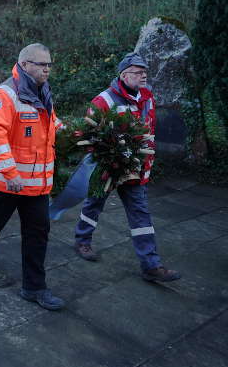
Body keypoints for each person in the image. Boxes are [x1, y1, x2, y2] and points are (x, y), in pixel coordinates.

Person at [73, 52, 181, 283]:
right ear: (124, 75)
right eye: (138, 72)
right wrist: (107, 158)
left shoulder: (148, 97)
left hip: (135, 170)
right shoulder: (104, 101)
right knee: (94, 204)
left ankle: (151, 265)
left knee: (140, 214)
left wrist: (143, 163)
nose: (143, 76)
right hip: (108, 168)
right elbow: (87, 135)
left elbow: (148, 133)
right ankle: (82, 241)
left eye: (145, 72)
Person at [0, 43, 65, 311]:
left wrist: (73, 134)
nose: (47, 68)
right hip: (5, 181)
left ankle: (34, 288)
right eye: (41, 64)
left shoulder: (42, 92)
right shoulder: (3, 95)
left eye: (49, 64)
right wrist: (11, 173)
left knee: (38, 233)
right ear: (25, 65)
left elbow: (51, 123)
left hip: (36, 184)